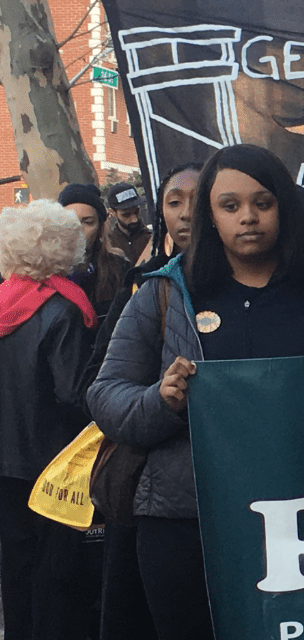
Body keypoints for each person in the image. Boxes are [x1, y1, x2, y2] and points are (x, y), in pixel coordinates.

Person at [87, 144, 304, 640]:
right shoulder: (163, 293)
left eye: (263, 203)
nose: (248, 217)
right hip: (188, 526)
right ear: (210, 214)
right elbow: (105, 396)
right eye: (230, 206)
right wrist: (162, 401)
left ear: (284, 208)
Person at [82, 161, 202, 640]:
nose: (188, 214)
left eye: (201, 200)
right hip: (161, 502)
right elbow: (99, 385)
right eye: (174, 203)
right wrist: (162, 398)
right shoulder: (149, 286)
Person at [0, 199, 98, 640]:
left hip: (5, 461)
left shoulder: (4, 303)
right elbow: (73, 391)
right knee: (55, 570)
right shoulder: (63, 309)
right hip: (52, 462)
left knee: (14, 565)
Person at [59, 182, 132, 319]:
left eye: (87, 222)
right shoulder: (43, 272)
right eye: (69, 221)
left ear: (99, 227)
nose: (78, 229)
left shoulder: (119, 269)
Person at [106, 182, 154, 264]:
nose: (134, 219)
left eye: (137, 212)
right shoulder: (108, 244)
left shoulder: (153, 237)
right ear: (112, 212)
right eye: (126, 215)